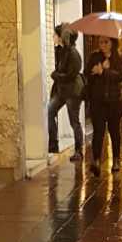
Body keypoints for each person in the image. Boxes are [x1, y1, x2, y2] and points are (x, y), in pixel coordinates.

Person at [86, 36, 122, 176]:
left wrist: (104, 72)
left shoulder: (119, 58)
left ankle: (116, 160)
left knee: (114, 132)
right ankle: (96, 161)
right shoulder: (94, 57)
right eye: (101, 42)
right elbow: (86, 74)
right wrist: (95, 71)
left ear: (112, 43)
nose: (103, 45)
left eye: (106, 42)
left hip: (114, 102)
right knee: (98, 132)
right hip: (97, 101)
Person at [48, 24, 85, 161]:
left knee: (74, 121)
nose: (53, 37)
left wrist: (56, 76)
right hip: (62, 91)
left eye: (55, 35)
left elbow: (71, 75)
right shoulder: (61, 51)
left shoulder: (73, 54)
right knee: (50, 111)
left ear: (62, 37)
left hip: (73, 92)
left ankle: (78, 151)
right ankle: (53, 146)